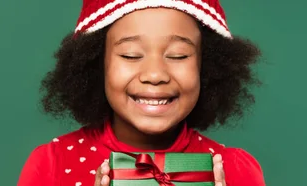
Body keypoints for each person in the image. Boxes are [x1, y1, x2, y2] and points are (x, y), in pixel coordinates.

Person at [18, 0, 265, 185]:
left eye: (178, 55)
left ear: (207, 66)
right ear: (95, 64)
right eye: (130, 55)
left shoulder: (236, 169)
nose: (155, 74)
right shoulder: (52, 164)